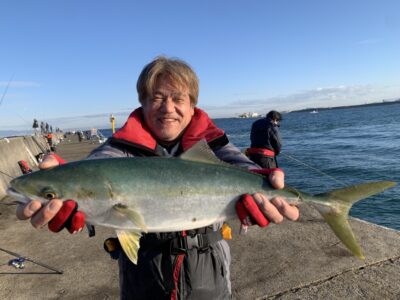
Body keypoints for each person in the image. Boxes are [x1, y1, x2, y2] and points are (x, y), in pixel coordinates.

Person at [16, 56, 299, 300]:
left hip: (211, 274)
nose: (167, 108)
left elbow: (239, 164)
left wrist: (262, 181)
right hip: (143, 278)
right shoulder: (119, 148)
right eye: (157, 98)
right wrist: (59, 185)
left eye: (178, 99)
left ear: (192, 106)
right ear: (143, 103)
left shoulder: (214, 145)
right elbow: (99, 167)